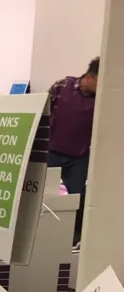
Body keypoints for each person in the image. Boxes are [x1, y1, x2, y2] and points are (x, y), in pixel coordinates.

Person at [48, 57, 99, 246]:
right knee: (46, 196)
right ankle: (46, 234)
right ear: (91, 77)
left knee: (77, 197)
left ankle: (73, 239)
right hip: (52, 153)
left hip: (79, 157)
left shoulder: (101, 100)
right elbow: (43, 114)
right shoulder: (61, 87)